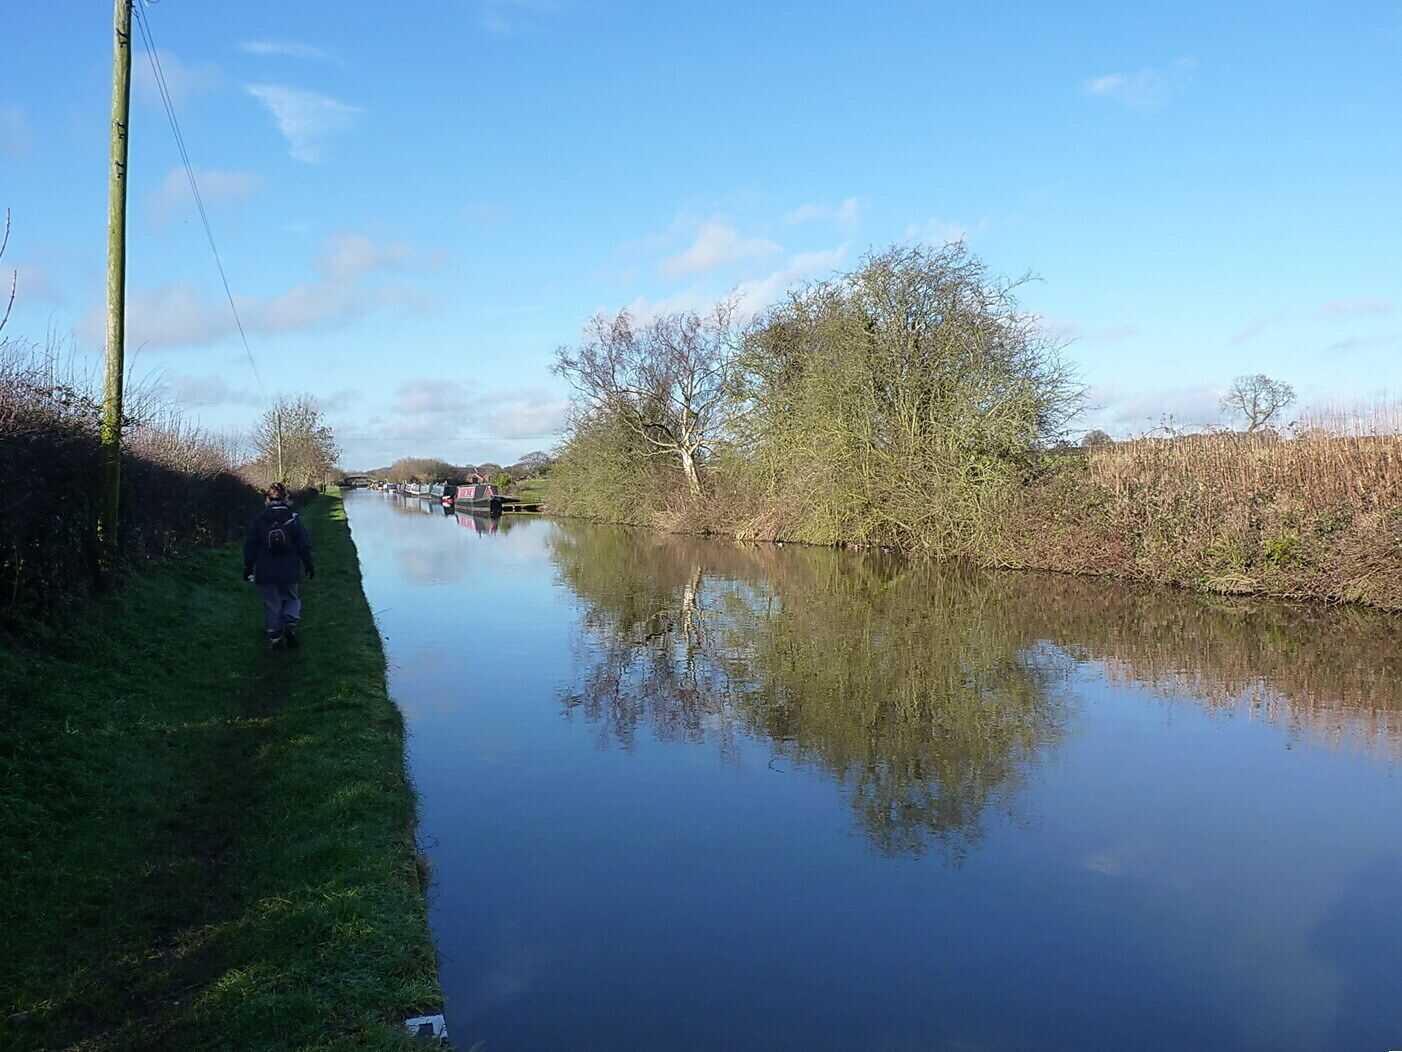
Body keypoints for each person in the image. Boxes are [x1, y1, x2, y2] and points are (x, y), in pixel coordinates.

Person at [244, 483, 315, 648]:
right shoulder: (293, 518)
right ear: (286, 498)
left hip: (265, 569)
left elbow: (250, 546)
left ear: (267, 499)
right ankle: (290, 624)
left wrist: (248, 568)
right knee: (290, 598)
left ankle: (275, 637)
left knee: (272, 602)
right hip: (290, 568)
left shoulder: (260, 519)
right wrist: (308, 565)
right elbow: (304, 545)